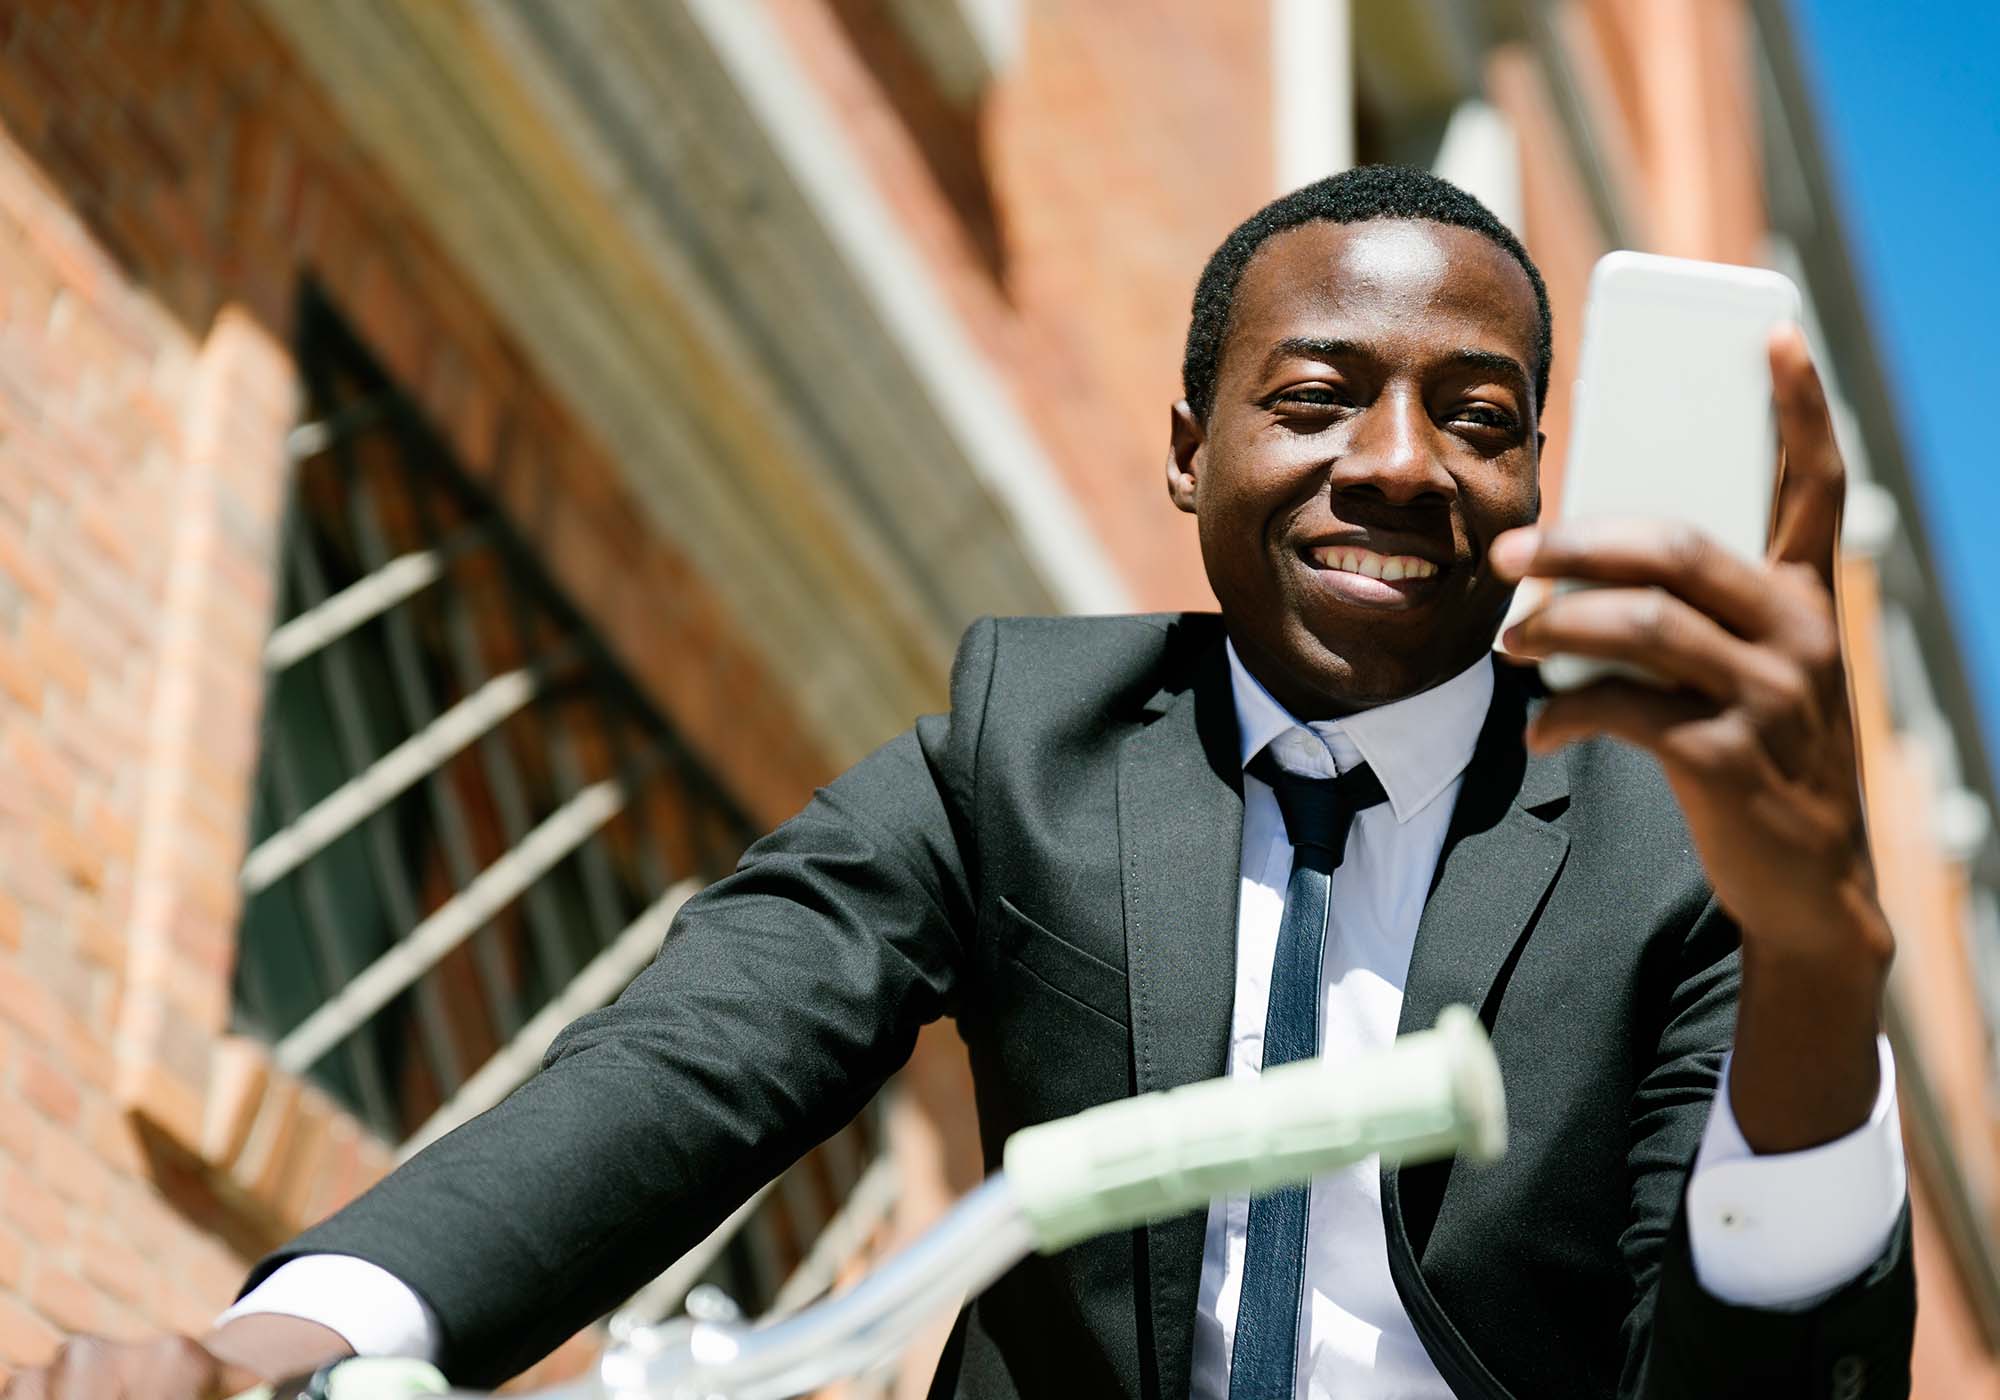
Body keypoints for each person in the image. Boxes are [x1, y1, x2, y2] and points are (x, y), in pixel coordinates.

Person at [6, 167, 1914, 1400]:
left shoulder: (1685, 842)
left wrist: (1821, 956)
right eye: (1319, 397)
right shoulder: (1035, 741)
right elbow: (694, 1057)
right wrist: (287, 1341)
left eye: (1478, 419)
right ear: (1190, 451)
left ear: (1536, 485)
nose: (1403, 463)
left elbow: (1760, 1374)